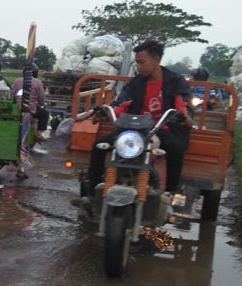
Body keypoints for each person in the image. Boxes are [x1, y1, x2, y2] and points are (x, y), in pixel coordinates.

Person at [73, 40, 193, 212]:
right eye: (136, 62)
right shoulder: (136, 83)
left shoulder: (175, 81)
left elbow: (183, 103)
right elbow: (122, 102)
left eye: (141, 62)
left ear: (156, 59)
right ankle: (92, 195)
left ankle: (169, 193)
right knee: (98, 146)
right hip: (134, 130)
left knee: (176, 150)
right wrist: (107, 112)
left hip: (161, 129)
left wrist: (185, 115)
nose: (138, 66)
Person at [11, 63, 49, 142]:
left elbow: (11, 93)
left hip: (16, 108)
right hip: (30, 108)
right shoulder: (37, 82)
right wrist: (42, 104)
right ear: (35, 73)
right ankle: (38, 133)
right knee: (45, 114)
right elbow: (41, 98)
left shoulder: (17, 81)